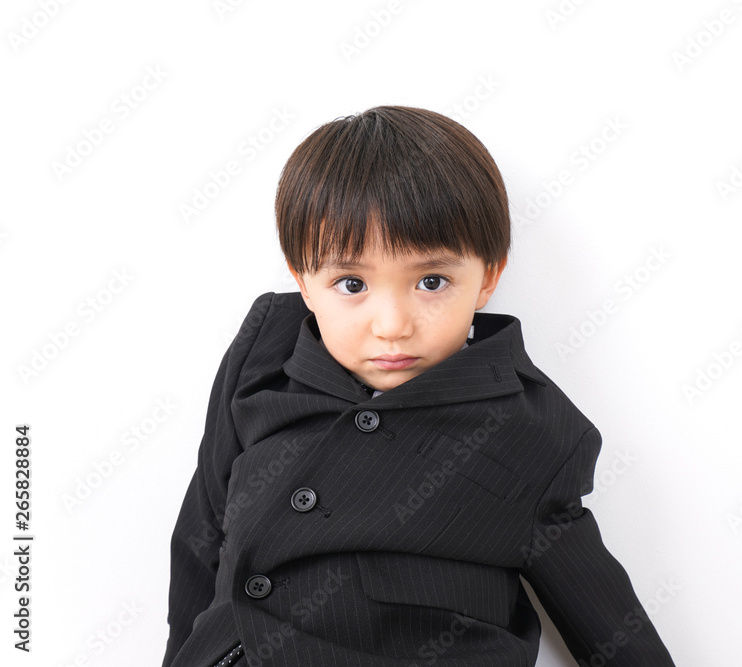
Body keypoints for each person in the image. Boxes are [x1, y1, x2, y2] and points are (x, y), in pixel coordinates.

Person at [161, 105, 676, 666]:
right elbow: (200, 537)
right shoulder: (263, 365)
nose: (392, 326)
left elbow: (605, 616)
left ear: (488, 276)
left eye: (431, 281)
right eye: (351, 283)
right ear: (303, 282)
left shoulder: (527, 424)